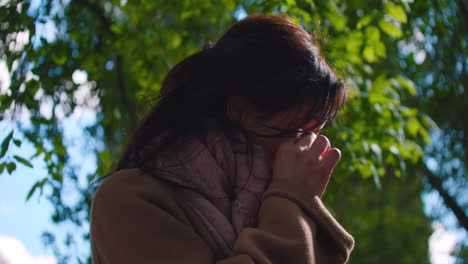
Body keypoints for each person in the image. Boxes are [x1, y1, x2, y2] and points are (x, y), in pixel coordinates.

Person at [90, 14, 355, 263]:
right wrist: (292, 200)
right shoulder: (128, 202)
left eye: (315, 134)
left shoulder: (270, 204)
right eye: (298, 131)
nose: (307, 151)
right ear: (241, 111)